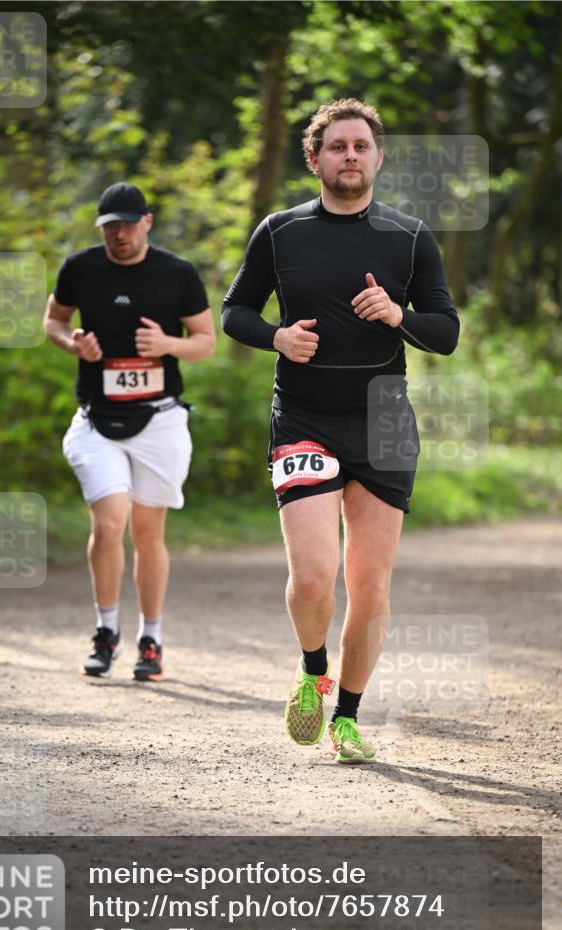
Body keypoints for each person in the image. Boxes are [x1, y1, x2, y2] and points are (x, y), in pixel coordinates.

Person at [222, 98, 459, 763]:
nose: (349, 156)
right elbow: (234, 310)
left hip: (383, 420)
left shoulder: (409, 237)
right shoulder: (280, 231)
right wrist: (275, 336)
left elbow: (445, 331)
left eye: (360, 145)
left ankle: (347, 719)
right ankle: (310, 670)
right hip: (302, 416)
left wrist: (396, 314)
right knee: (313, 577)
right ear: (314, 158)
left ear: (377, 156)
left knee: (370, 584)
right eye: (336, 146)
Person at [44, 182, 215, 681]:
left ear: (148, 221)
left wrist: (166, 343)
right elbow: (52, 321)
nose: (119, 234)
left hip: (159, 419)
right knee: (109, 521)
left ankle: (151, 639)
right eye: (109, 226)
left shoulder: (177, 273)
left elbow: (205, 342)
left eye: (126, 223)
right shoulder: (79, 268)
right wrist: (71, 343)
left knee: (147, 532)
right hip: (97, 418)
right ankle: (106, 631)